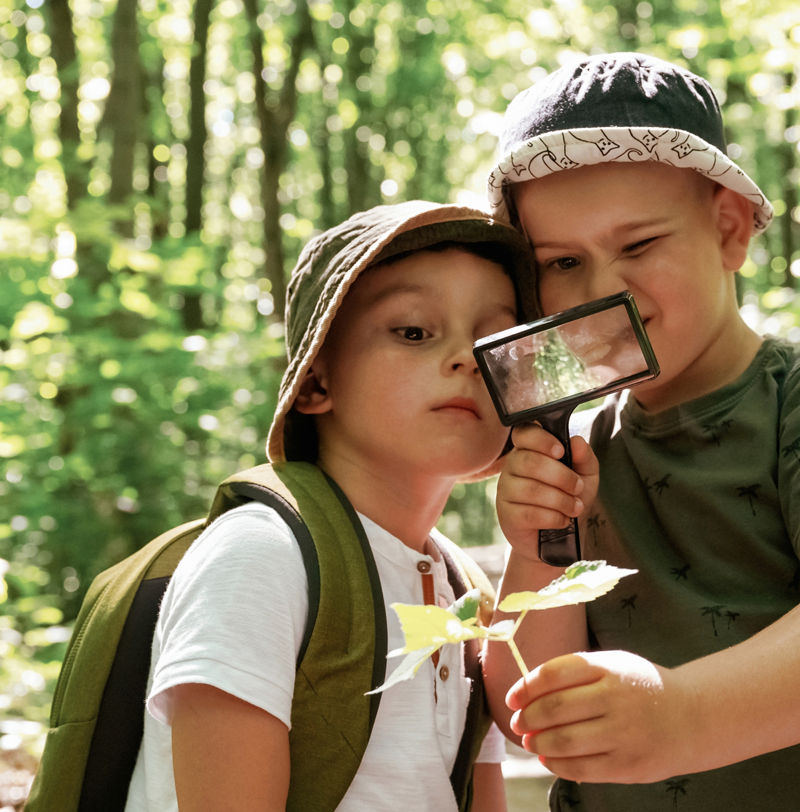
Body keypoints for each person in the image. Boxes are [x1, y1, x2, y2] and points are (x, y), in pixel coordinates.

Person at [483, 53, 800, 811]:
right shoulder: (573, 448)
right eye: (563, 261)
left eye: (639, 246)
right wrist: (539, 544)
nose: (603, 288)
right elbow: (525, 706)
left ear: (729, 230)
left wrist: (681, 716)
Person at [123, 200, 538, 812]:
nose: (466, 359)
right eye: (413, 331)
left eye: (494, 340)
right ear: (316, 381)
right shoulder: (260, 556)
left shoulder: (463, 588)